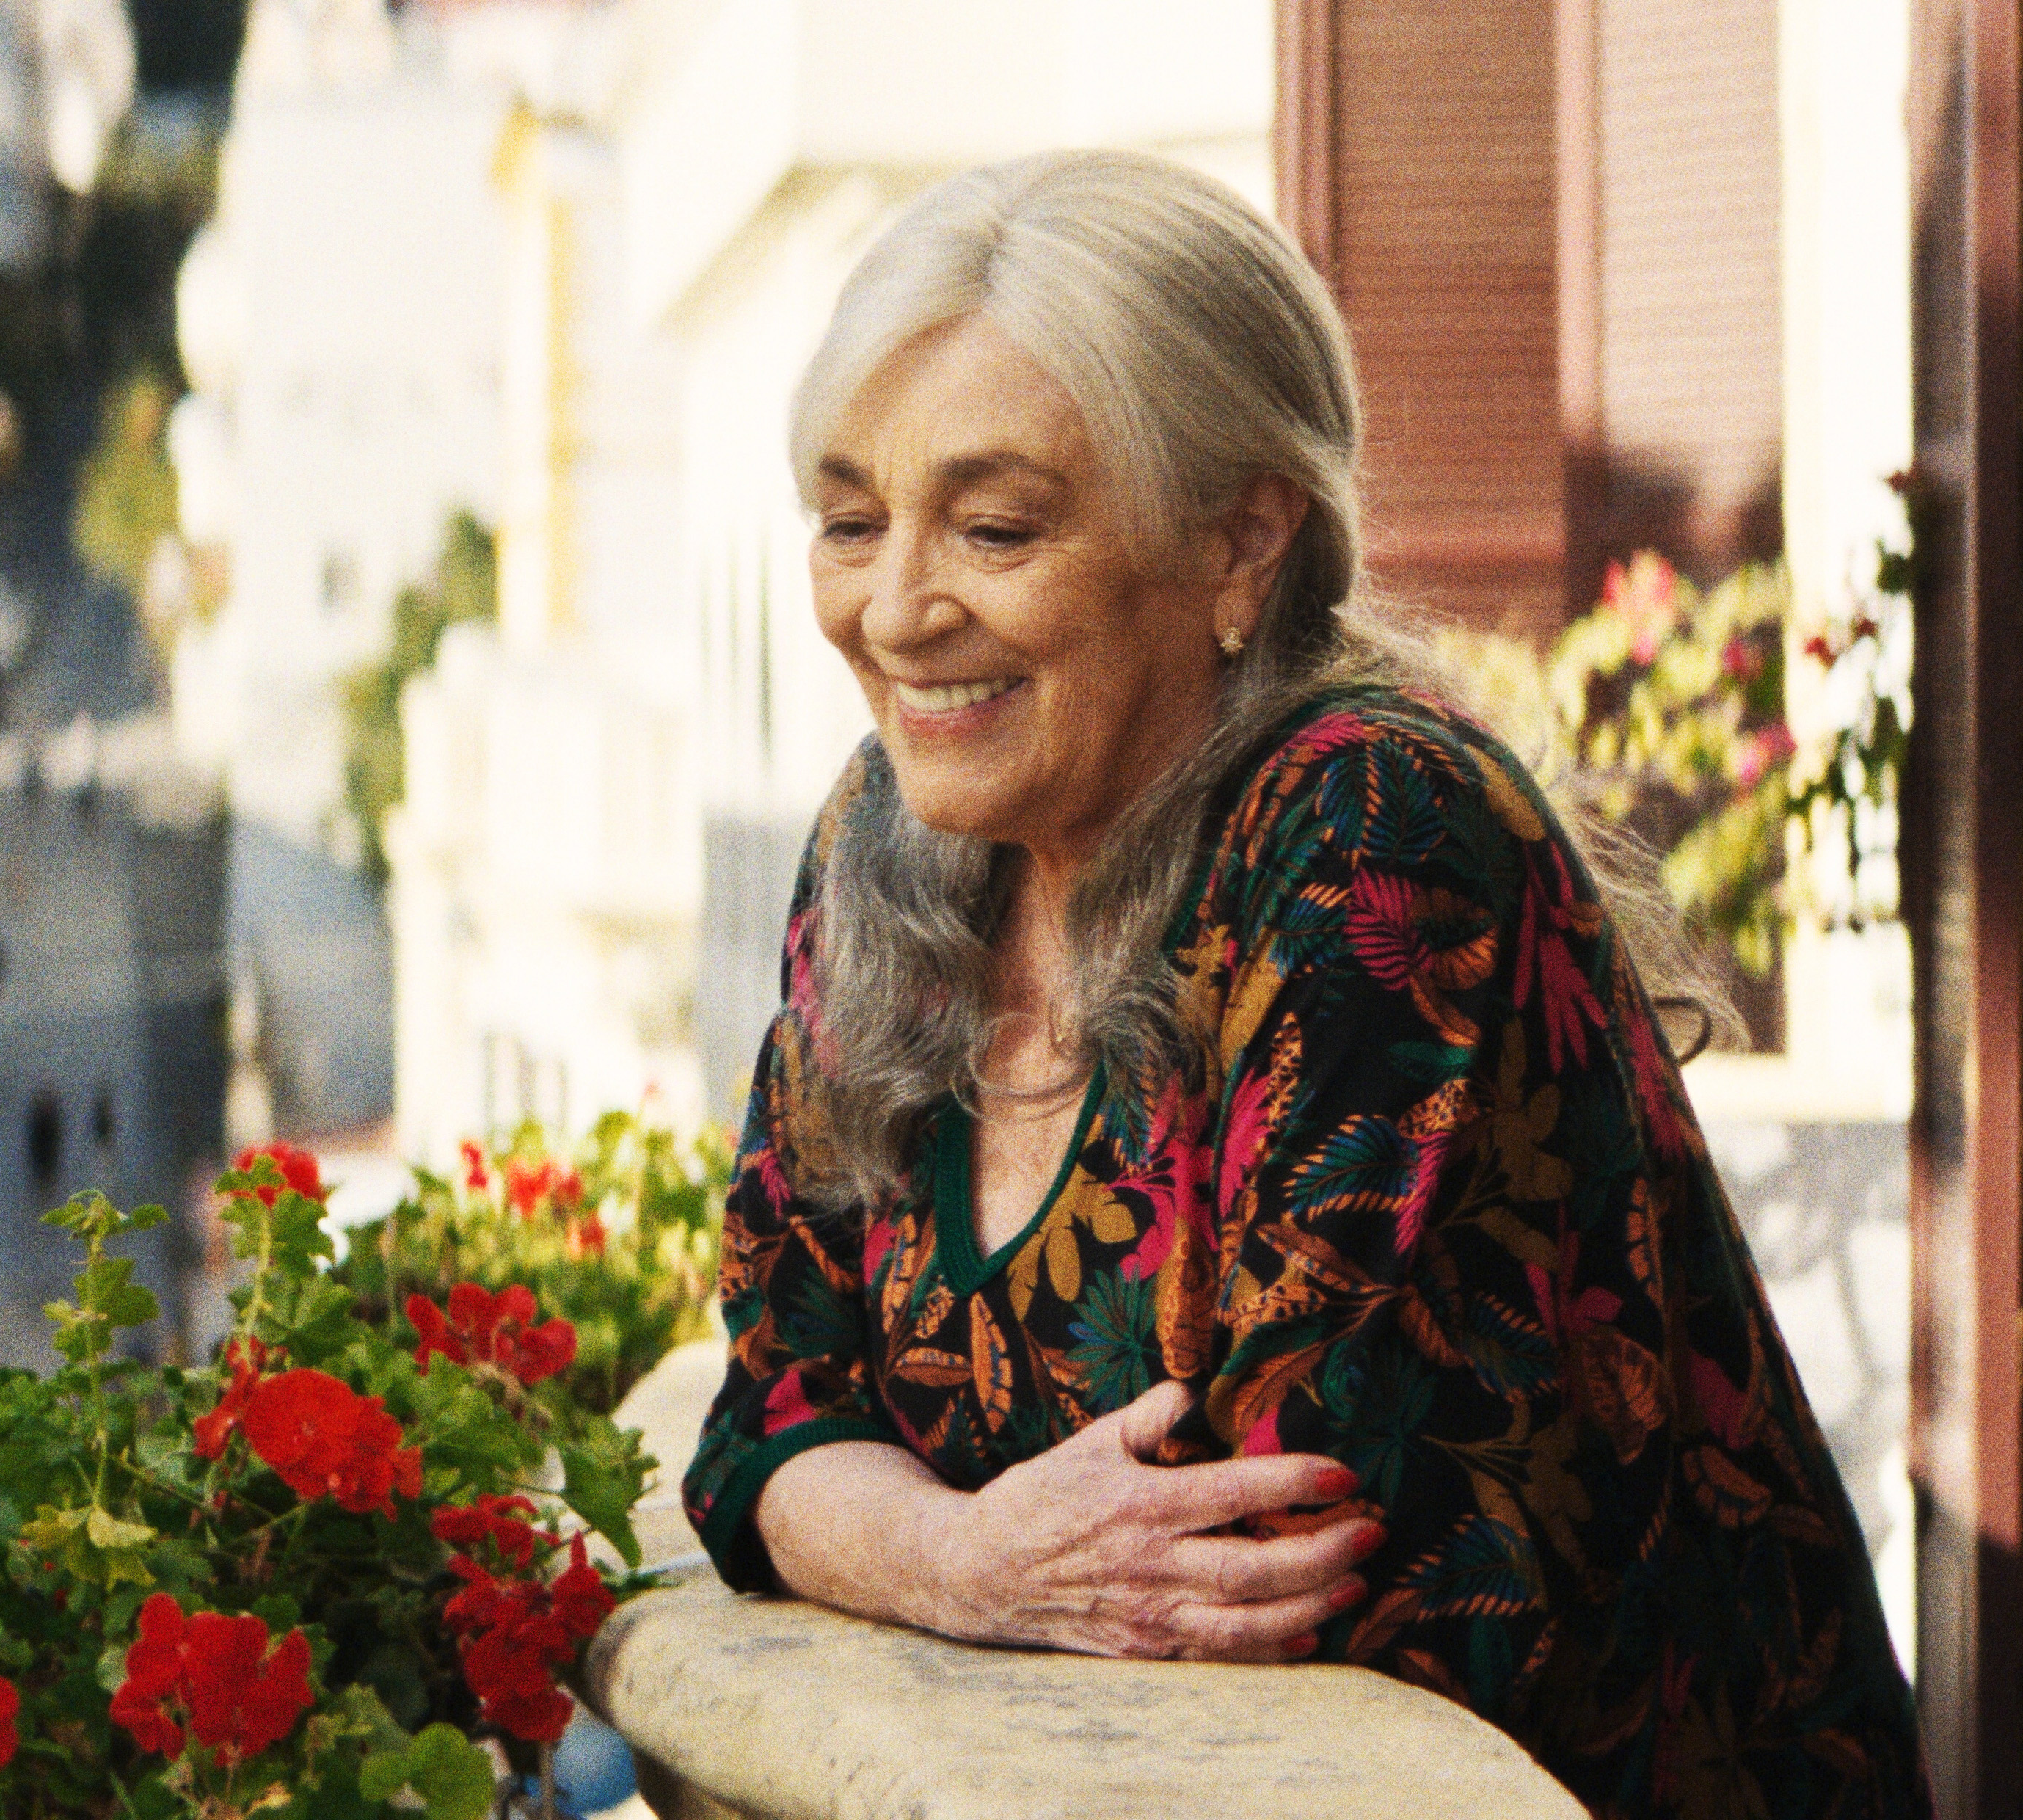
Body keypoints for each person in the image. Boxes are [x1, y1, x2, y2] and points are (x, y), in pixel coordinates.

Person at [680, 150, 1927, 1817]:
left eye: (993, 526)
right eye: (848, 519)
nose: (894, 609)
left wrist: (898, 1530)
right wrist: (964, 1556)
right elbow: (765, 1406)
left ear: (1237, 545)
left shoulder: (1365, 832)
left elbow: (1250, 1551)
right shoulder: (887, 834)